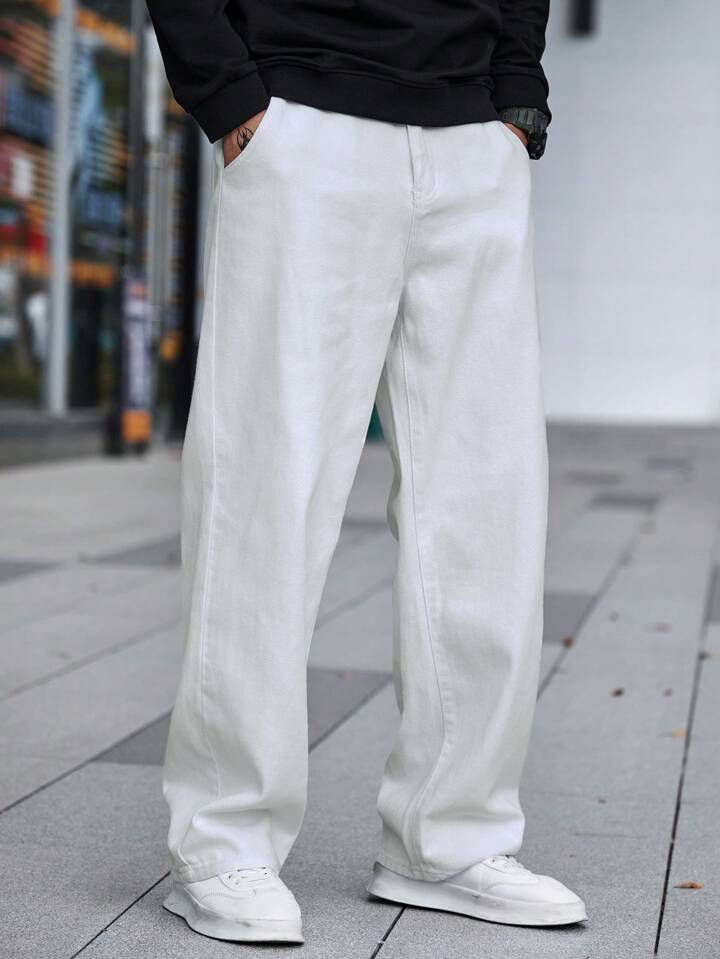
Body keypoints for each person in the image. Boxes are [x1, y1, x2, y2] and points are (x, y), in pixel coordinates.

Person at [146, 0, 587, 944]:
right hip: (299, 115)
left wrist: (517, 91)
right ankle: (224, 841)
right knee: (267, 489)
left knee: (489, 500)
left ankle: (451, 837)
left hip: (475, 131)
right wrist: (225, 89)